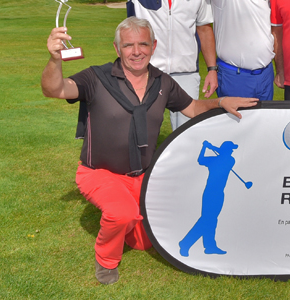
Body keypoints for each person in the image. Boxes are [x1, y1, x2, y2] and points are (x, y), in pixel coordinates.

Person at [41, 17, 257, 285]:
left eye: (143, 44)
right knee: (123, 214)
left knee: (145, 243)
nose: (136, 51)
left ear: (153, 46)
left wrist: (221, 101)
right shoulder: (95, 77)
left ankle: (123, 216)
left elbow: (192, 108)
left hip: (143, 176)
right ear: (117, 48)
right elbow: (54, 89)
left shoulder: (162, 82)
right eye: (128, 45)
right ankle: (106, 258)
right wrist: (54, 59)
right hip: (99, 173)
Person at [68, 0, 217, 130]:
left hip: (186, 73)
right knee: (138, 136)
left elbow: (203, 27)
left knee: (188, 135)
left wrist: (212, 69)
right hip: (144, 73)